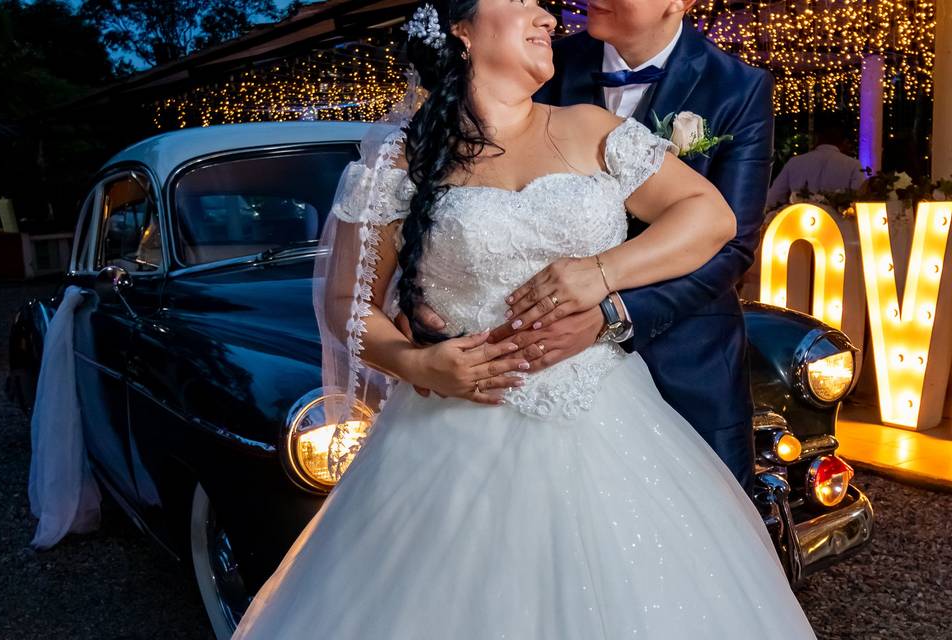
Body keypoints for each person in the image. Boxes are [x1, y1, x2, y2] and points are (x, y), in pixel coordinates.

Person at [231, 1, 816, 638]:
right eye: (523, 1)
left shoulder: (590, 124)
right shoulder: (399, 161)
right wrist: (417, 361)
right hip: (448, 434)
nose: (548, 15)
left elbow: (713, 218)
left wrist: (602, 275)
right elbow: (345, 303)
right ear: (460, 30)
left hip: (606, 415)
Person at [410, 0, 774, 497]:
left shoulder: (738, 86)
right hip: (508, 378)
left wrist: (610, 308)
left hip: (687, 358)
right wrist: (425, 294)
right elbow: (456, 200)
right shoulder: (541, 62)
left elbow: (730, 242)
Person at [766, 113, 867, 208]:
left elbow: (773, 199)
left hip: (799, 221)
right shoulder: (853, 165)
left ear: (816, 138)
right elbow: (860, 201)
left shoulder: (795, 162)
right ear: (843, 141)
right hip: (838, 224)